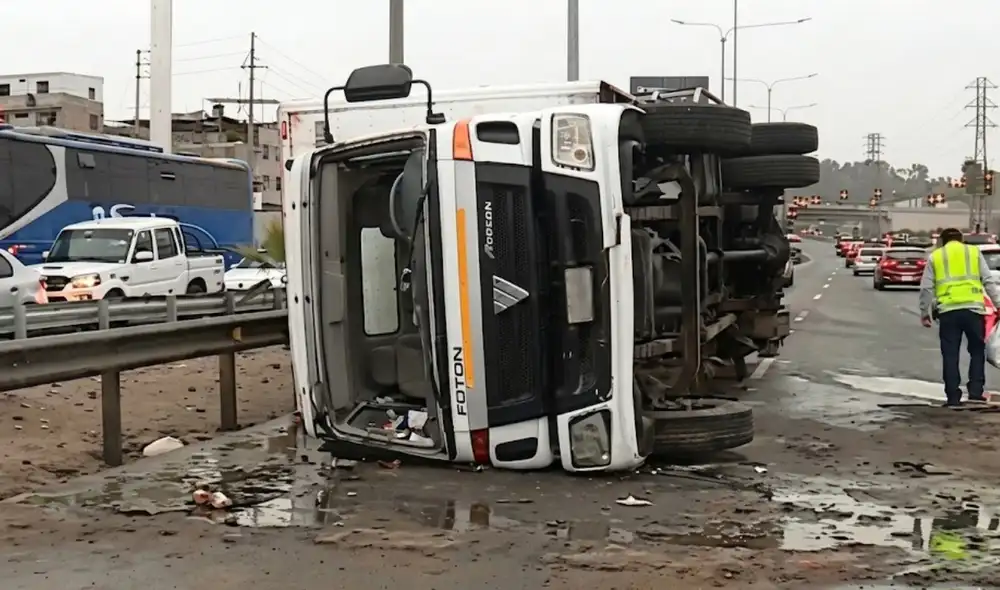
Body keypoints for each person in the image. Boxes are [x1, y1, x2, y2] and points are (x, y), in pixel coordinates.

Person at [918, 227, 1000, 406]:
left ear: (942, 241)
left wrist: (925, 313)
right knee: (977, 351)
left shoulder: (936, 256)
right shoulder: (973, 252)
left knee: (950, 354)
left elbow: (926, 288)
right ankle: (976, 391)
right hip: (973, 310)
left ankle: (953, 396)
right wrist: (998, 304)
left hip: (948, 311)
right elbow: (988, 281)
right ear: (961, 239)